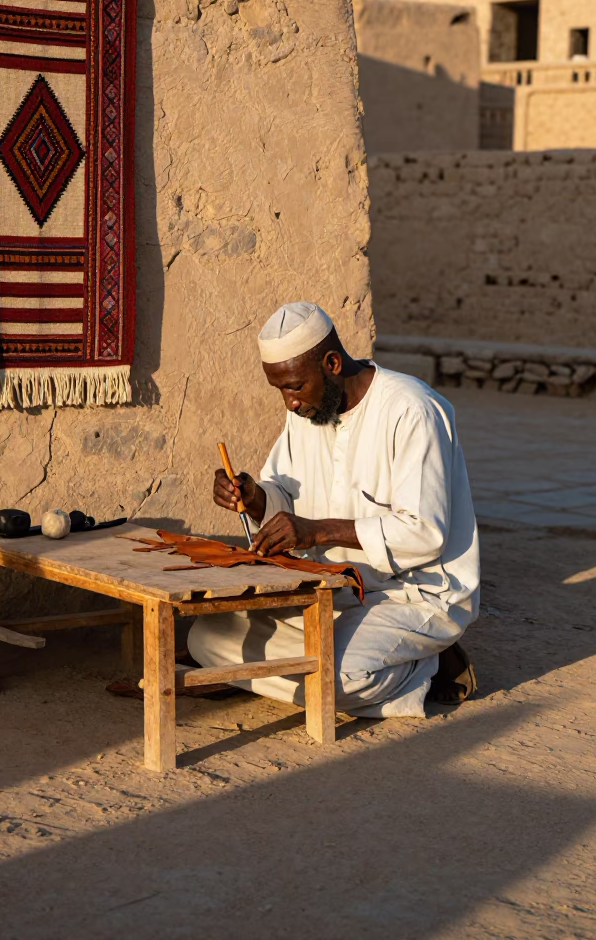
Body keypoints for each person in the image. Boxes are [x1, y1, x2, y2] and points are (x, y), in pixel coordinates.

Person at [188, 302, 480, 716]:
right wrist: (255, 498)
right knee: (205, 637)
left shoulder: (411, 410)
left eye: (294, 387)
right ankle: (310, 668)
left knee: (339, 678)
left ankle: (423, 664)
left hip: (411, 596)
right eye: (281, 391)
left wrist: (316, 531)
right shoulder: (307, 413)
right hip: (331, 589)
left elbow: (424, 533)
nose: (289, 403)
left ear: (331, 363)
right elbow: (285, 498)